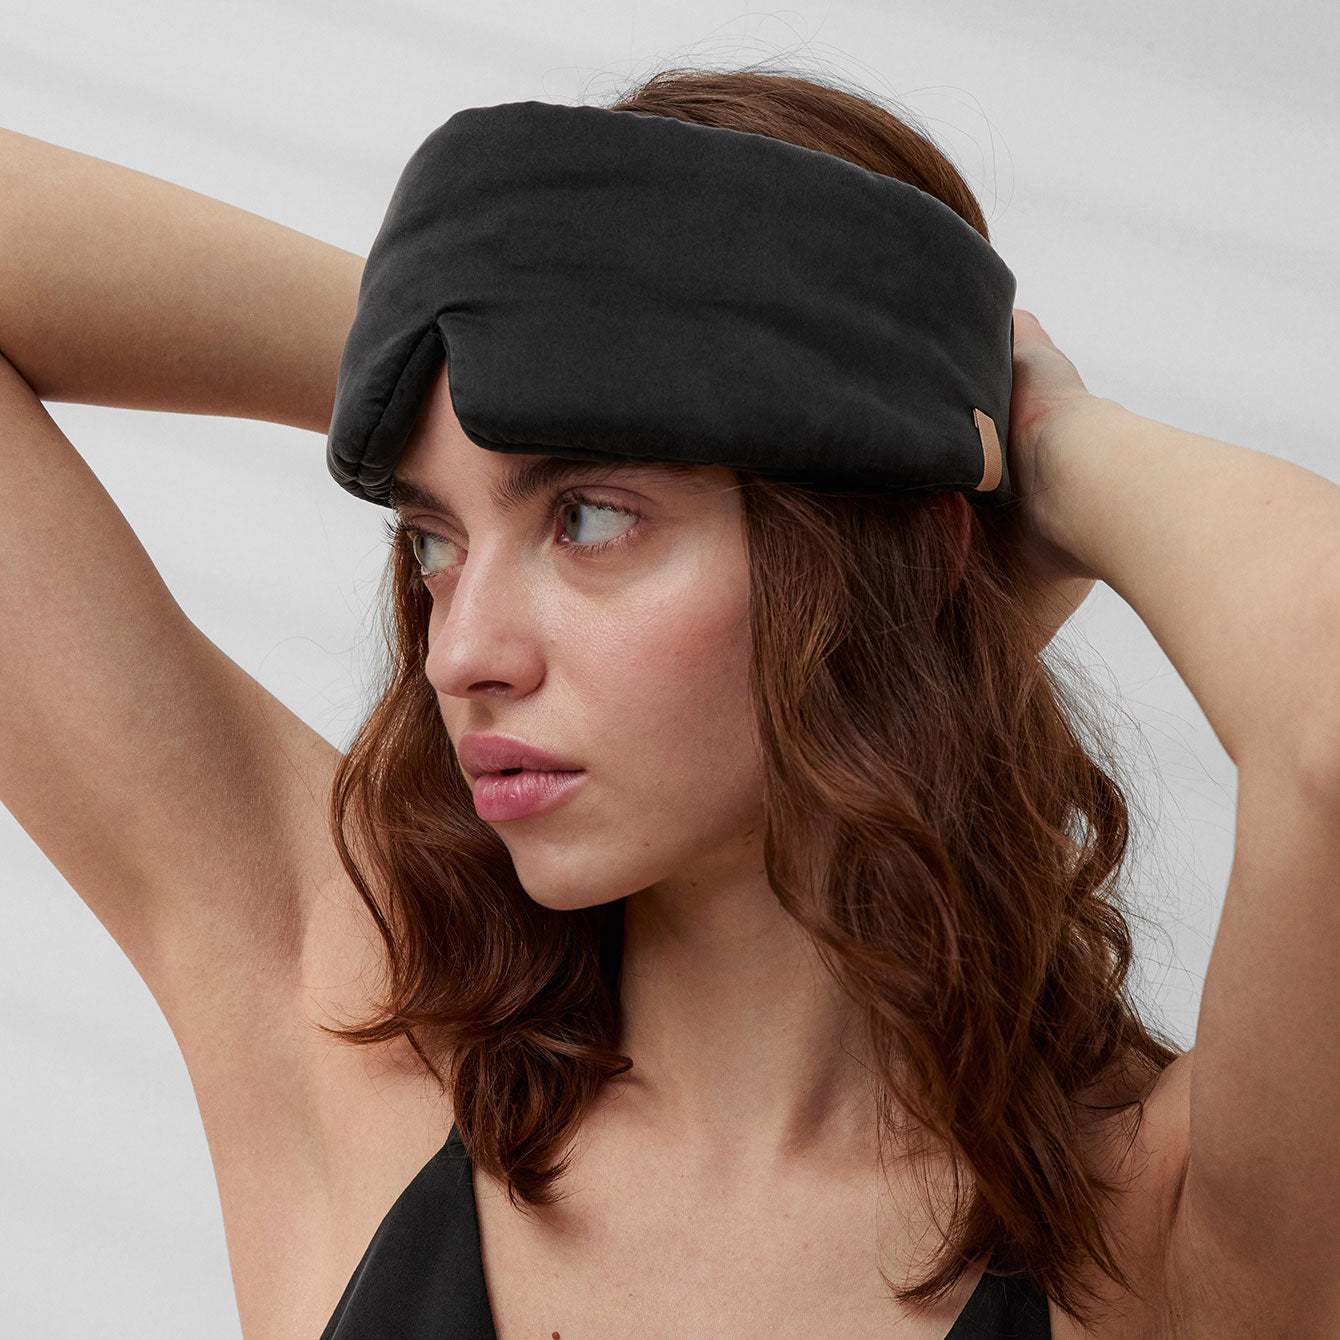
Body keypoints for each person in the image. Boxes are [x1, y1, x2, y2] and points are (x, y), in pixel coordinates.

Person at [3, 66, 1336, 1340]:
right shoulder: (349, 1028)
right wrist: (453, 349)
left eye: (588, 515)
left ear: (903, 548)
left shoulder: (1158, 1234)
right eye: (432, 538)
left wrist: (1043, 448)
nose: (461, 651)